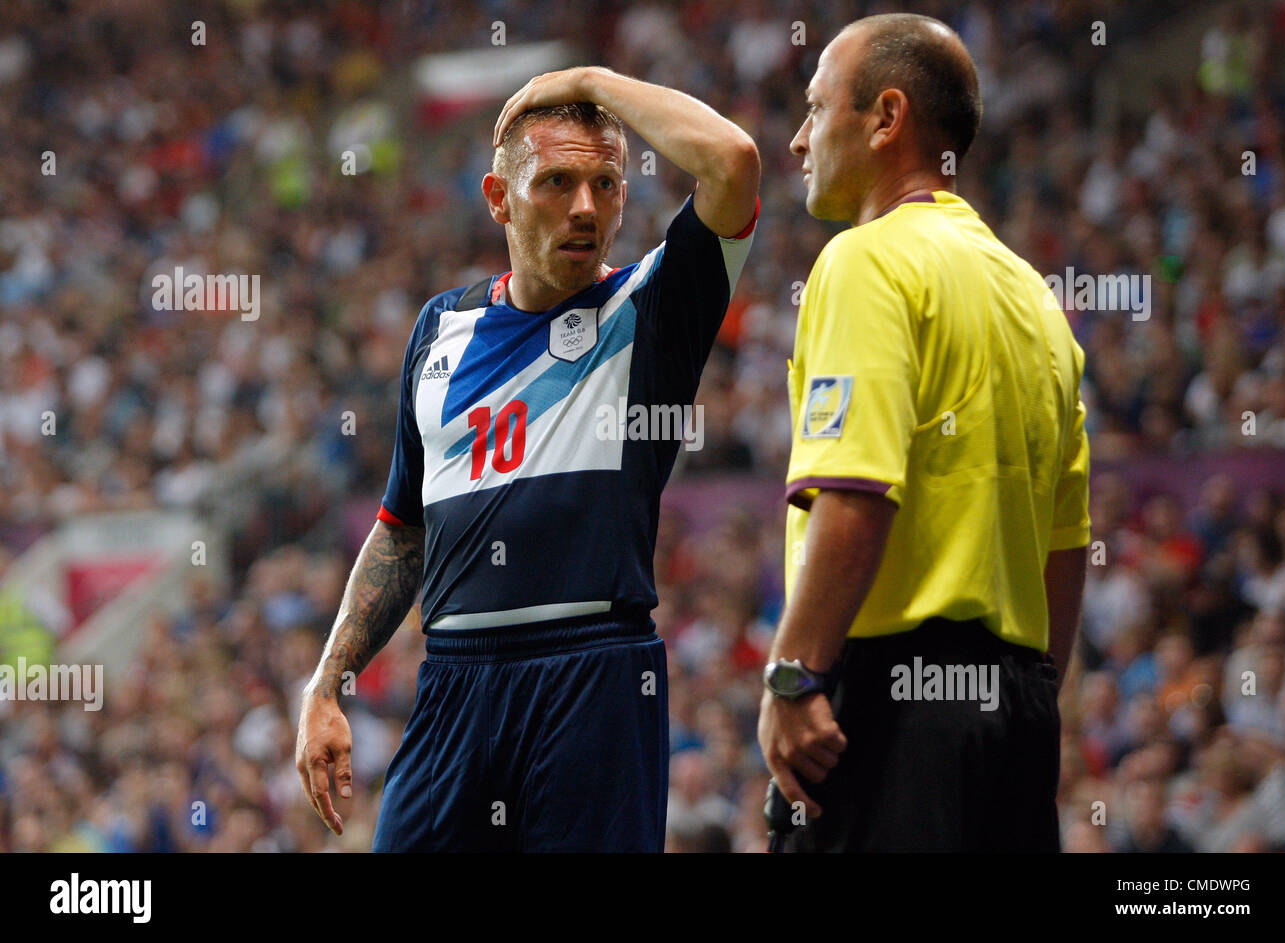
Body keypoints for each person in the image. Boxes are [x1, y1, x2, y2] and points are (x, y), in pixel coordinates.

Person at [295, 66, 759, 852]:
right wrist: (327, 679)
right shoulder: (440, 328)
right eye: (556, 181)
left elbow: (733, 160)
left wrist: (588, 80)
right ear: (498, 198)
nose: (586, 207)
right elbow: (401, 528)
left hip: (595, 678)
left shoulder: (650, 309)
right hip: (453, 684)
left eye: (605, 184)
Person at [758, 13, 1090, 852]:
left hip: (893, 702)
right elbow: (1066, 545)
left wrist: (794, 676)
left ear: (885, 116)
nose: (798, 141)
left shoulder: (865, 261)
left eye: (814, 108)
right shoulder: (1035, 300)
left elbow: (857, 495)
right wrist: (1032, 700)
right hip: (1017, 707)